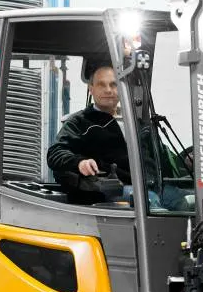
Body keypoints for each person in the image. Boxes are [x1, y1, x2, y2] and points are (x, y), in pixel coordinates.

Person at [47, 64, 188, 210]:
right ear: (91, 89)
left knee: (191, 202)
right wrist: (80, 162)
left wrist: (186, 162)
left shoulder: (138, 123)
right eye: (101, 85)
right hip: (117, 189)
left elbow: (161, 157)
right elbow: (55, 152)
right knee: (150, 204)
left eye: (113, 84)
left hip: (154, 186)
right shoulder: (80, 122)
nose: (108, 90)